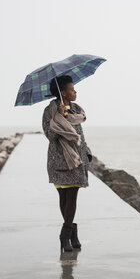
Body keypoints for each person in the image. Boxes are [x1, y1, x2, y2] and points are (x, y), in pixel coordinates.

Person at [41, 75, 93, 252]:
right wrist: (59, 117)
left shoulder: (77, 110)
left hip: (76, 160)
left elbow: (80, 134)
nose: (75, 91)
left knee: (72, 197)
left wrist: (87, 153)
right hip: (58, 159)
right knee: (63, 197)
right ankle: (72, 231)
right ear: (63, 92)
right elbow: (50, 135)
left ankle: (65, 234)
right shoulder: (50, 111)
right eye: (71, 89)